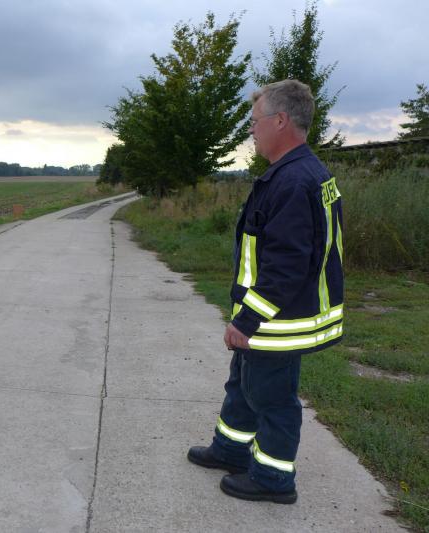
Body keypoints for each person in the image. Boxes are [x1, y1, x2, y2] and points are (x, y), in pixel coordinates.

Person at [187, 80, 344, 503]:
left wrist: (247, 320)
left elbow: (286, 264)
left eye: (255, 121)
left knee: (272, 398)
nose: (251, 131)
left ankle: (273, 480)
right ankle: (231, 450)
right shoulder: (298, 173)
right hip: (275, 314)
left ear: (280, 121)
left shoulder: (292, 182)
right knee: (243, 385)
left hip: (279, 318)